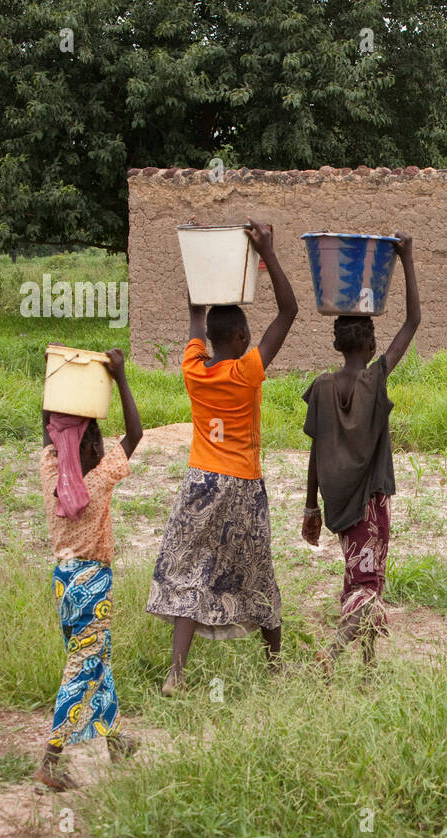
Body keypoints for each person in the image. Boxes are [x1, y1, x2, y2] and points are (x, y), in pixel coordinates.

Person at [147, 219, 298, 696]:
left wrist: (203, 270)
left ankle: (177, 674)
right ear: (238, 341)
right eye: (248, 334)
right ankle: (275, 667)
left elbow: (196, 316)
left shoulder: (194, 368)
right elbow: (289, 312)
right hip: (242, 485)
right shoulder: (246, 371)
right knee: (258, 571)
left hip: (199, 483)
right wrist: (267, 253)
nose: (252, 339)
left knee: (191, 570)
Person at [302, 233, 419, 678]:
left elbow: (314, 449)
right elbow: (412, 322)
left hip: (337, 501)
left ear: (338, 344)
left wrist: (311, 505)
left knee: (357, 576)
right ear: (371, 346)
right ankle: (330, 658)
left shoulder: (322, 386)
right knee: (369, 584)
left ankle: (369, 671)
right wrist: (407, 260)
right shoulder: (375, 380)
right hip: (370, 499)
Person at [36, 348, 143, 791]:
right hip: (93, 582)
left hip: (64, 582)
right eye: (97, 437)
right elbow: (136, 432)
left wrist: (58, 378)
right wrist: (118, 378)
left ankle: (116, 740)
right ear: (95, 445)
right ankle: (50, 760)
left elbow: (49, 428)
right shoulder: (99, 479)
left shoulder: (48, 470)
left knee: (97, 660)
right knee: (83, 665)